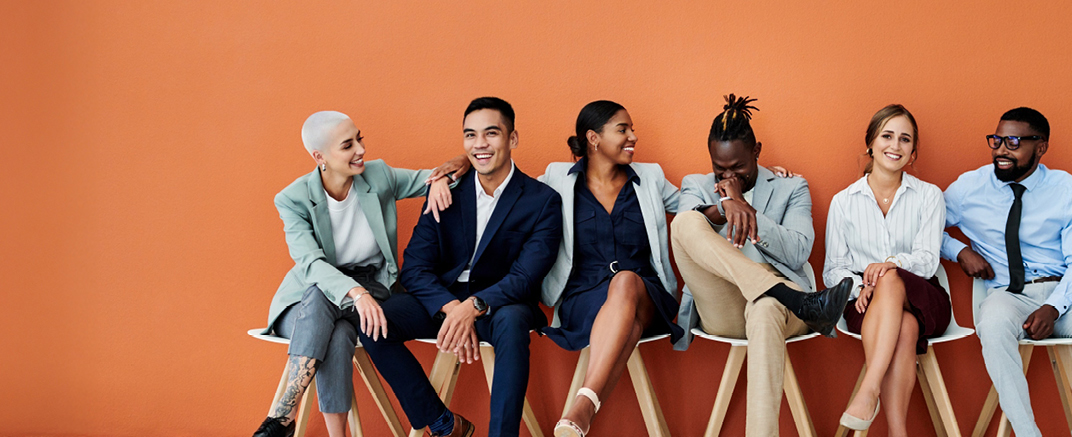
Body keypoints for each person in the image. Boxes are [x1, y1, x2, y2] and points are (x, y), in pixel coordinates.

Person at [254, 111, 468, 437]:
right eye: (347, 145)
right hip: (305, 302)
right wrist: (355, 293)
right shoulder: (293, 199)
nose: (360, 150)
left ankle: (283, 415)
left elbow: (446, 173)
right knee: (331, 317)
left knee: (336, 321)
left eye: (359, 138)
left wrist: (441, 177)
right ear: (319, 157)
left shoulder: (378, 176)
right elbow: (311, 264)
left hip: (372, 285)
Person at [360, 97, 562, 437]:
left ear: (512, 139)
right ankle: (442, 423)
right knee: (374, 323)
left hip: (502, 303)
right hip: (443, 299)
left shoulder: (542, 200)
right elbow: (415, 267)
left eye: (491, 133)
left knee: (513, 325)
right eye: (470, 135)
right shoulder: (445, 191)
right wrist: (453, 307)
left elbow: (526, 276)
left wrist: (474, 307)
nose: (479, 144)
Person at [669, 94, 853, 436]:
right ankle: (793, 297)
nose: (728, 175)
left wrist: (747, 208)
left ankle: (780, 295)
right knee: (683, 224)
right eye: (719, 168)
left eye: (737, 168)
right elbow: (688, 229)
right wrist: (725, 206)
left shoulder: (791, 186)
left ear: (756, 152)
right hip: (724, 305)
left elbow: (799, 251)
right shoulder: (695, 185)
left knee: (767, 306)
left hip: (778, 315)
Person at [535, 101, 684, 437]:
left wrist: (748, 179)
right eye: (623, 130)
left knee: (626, 281)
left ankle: (582, 405)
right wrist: (461, 163)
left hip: (646, 294)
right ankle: (584, 408)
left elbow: (695, 204)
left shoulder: (651, 177)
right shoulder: (556, 178)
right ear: (593, 138)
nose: (633, 136)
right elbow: (507, 190)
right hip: (583, 298)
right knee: (625, 326)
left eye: (632, 130)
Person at [943, 107, 1072, 437]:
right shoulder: (970, 188)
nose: (1001, 150)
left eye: (1013, 142)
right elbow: (923, 225)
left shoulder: (1064, 189)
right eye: (997, 140)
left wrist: (1054, 306)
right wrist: (960, 251)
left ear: (1040, 147)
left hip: (1062, 294)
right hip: (1008, 296)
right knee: (995, 324)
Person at [824, 105, 949, 434]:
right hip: (865, 305)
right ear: (871, 143)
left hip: (923, 297)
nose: (895, 146)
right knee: (905, 328)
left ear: (913, 150)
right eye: (887, 136)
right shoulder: (843, 202)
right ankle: (898, 432)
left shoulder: (929, 196)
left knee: (892, 278)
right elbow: (833, 269)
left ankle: (869, 389)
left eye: (905, 139)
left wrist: (889, 268)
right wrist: (859, 287)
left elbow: (926, 259)